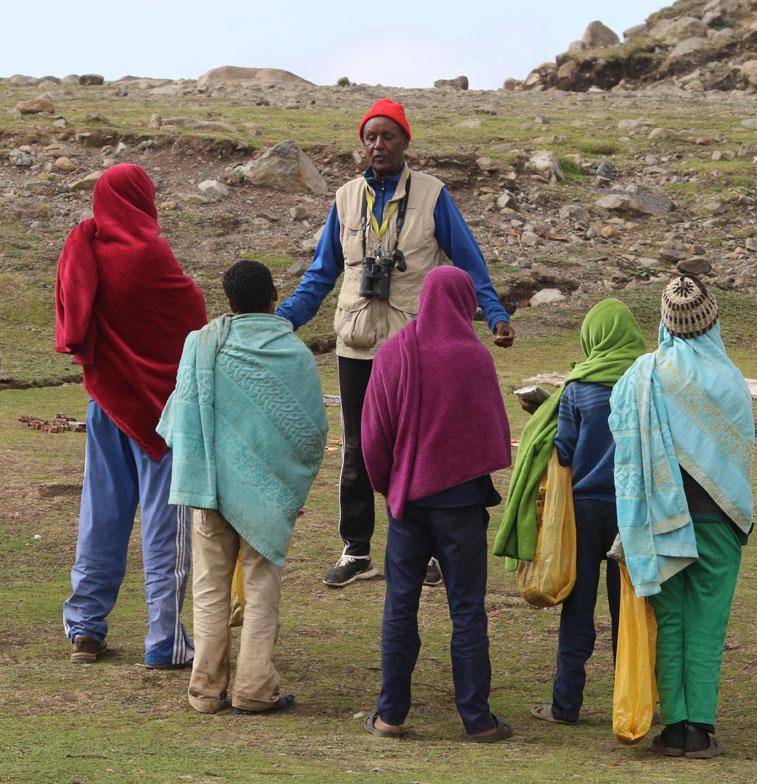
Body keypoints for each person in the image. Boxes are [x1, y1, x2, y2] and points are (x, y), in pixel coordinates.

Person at [276, 98, 515, 590]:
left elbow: (469, 260)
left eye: (387, 136)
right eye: (370, 137)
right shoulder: (345, 199)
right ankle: (356, 549)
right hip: (358, 344)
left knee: (418, 445)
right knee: (359, 448)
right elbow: (322, 274)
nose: (378, 145)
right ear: (362, 144)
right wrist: (282, 321)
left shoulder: (432, 195)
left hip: (414, 347)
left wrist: (494, 314)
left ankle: (423, 549)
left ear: (406, 141)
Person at [157, 259, 328, 714]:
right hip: (268, 495)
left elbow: (179, 418)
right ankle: (254, 690)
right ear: (275, 298)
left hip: (209, 489)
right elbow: (311, 431)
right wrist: (288, 483)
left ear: (228, 302)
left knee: (210, 590)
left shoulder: (202, 344)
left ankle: (205, 690)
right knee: (261, 590)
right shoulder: (293, 354)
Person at [55, 163, 207, 668]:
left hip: (106, 404)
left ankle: (86, 626)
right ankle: (163, 640)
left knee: (101, 516)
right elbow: (188, 313)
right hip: (160, 414)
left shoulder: (87, 245)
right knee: (165, 527)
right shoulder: (149, 251)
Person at [361, 266, 512, 741]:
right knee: (467, 609)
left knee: (400, 604)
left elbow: (371, 437)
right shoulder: (476, 358)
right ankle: (477, 719)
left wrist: (394, 488)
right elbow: (495, 433)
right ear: (466, 302)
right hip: (463, 504)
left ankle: (390, 715)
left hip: (407, 502)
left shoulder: (394, 354)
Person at [610, 276, 754, 759]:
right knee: (707, 624)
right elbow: (737, 453)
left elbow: (620, 429)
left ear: (665, 323)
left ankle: (674, 726)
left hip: (657, 521)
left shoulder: (643, 374)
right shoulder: (730, 380)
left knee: (669, 621)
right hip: (720, 519)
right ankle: (702, 727)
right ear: (712, 321)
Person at [515, 299, 645, 725]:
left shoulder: (577, 388)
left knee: (579, 607)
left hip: (585, 510)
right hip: (632, 509)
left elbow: (565, 450)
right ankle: (633, 703)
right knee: (631, 610)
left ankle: (565, 704)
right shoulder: (646, 381)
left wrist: (544, 414)